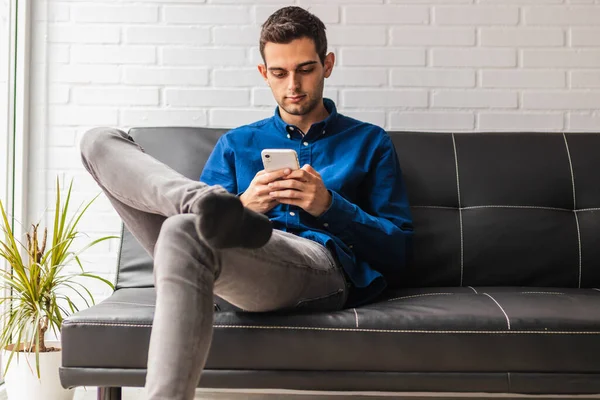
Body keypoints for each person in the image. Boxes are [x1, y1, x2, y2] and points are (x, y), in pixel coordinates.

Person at [79, 6, 413, 400]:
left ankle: (208, 209)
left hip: (314, 265)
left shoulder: (370, 143)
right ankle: (205, 204)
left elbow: (399, 251)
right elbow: (197, 241)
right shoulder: (236, 144)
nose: (293, 85)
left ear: (328, 65)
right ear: (263, 73)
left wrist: (330, 206)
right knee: (98, 142)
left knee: (184, 228)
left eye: (306, 69)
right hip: (213, 264)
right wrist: (244, 206)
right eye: (279, 73)